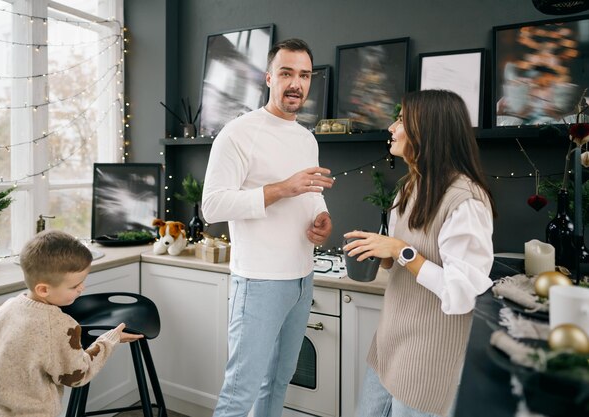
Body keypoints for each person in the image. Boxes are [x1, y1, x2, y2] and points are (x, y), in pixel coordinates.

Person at [202, 38, 334, 417]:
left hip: (302, 278)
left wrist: (322, 217)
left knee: (279, 381)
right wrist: (279, 190)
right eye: (287, 73)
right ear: (269, 78)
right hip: (259, 281)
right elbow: (211, 205)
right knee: (240, 391)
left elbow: (310, 194)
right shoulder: (238, 133)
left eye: (304, 75)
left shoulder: (306, 138)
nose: (296, 83)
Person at [344, 90, 496, 417]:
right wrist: (381, 251)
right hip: (389, 342)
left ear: (428, 131)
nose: (391, 127)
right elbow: (404, 260)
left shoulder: (466, 200)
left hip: (429, 357)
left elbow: (462, 293)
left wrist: (401, 251)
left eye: (401, 120)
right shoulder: (409, 188)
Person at [0, 230, 143, 417]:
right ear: (43, 289)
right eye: (75, 286)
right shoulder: (60, 325)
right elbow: (78, 375)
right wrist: (110, 339)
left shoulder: (5, 307)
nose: (82, 289)